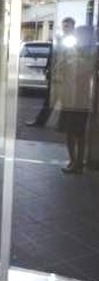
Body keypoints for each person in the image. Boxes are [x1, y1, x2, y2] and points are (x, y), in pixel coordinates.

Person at [52, 21, 97, 174]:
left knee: (79, 133)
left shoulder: (91, 54)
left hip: (81, 101)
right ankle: (73, 161)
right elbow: (58, 70)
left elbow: (87, 72)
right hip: (69, 99)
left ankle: (78, 163)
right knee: (69, 132)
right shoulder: (70, 51)